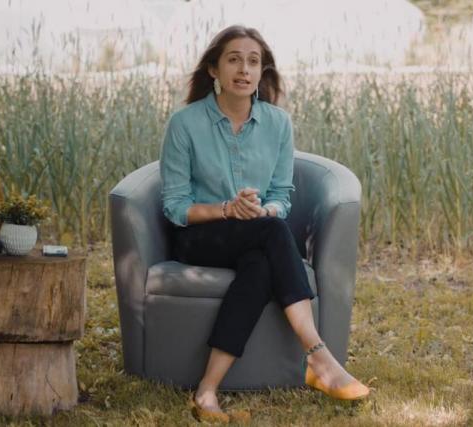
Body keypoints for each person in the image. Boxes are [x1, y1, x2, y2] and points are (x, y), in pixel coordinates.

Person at [159, 25, 370, 423]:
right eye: (233, 59)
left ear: (262, 71)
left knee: (259, 263)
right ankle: (319, 357)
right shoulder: (185, 124)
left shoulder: (278, 123)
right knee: (272, 235)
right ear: (213, 70)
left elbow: (281, 195)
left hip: (256, 231)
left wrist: (263, 211)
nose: (244, 69)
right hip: (198, 236)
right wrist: (227, 209)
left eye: (253, 61)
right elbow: (175, 206)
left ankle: (206, 392)